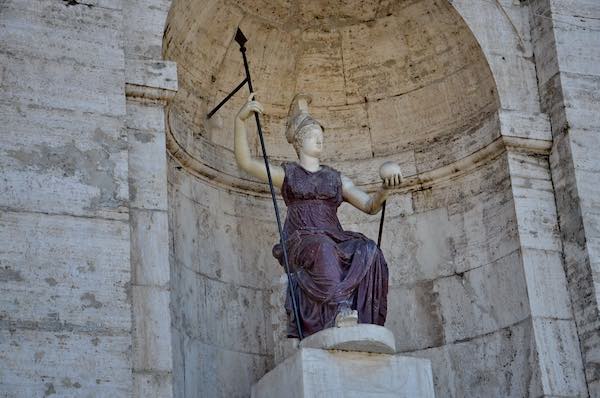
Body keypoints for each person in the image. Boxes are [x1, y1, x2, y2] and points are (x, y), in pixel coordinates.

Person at [233, 93, 401, 338]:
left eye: (321, 136)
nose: (319, 140)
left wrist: (385, 189)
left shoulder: (336, 178)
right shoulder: (288, 174)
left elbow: (369, 205)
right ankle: (340, 311)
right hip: (301, 239)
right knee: (322, 248)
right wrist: (240, 121)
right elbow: (246, 162)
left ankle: (367, 320)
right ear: (299, 142)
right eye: (313, 136)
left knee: (369, 251)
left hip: (333, 236)